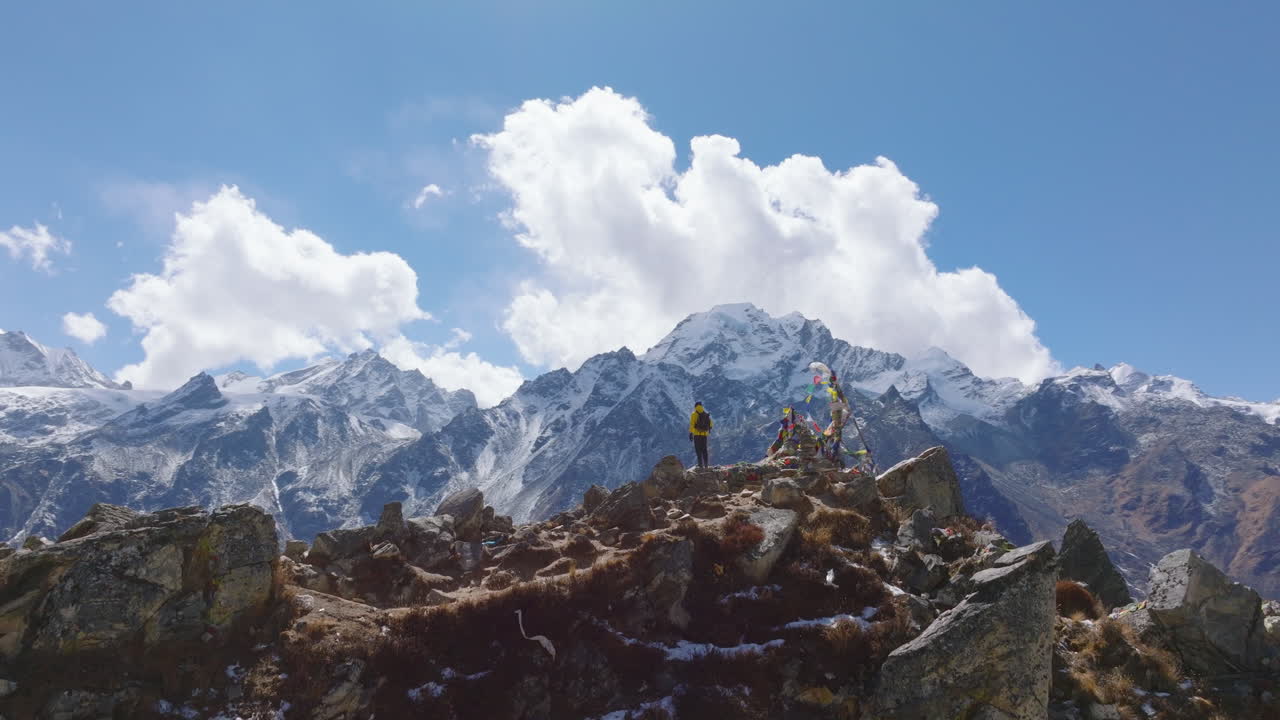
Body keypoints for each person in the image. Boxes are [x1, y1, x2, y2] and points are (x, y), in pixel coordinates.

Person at [688, 401, 713, 468]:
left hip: (697, 435)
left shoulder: (694, 414)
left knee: (698, 450)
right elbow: (711, 425)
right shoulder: (705, 413)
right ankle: (706, 465)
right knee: (704, 450)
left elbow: (692, 425)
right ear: (701, 406)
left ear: (695, 406)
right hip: (704, 435)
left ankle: (700, 466)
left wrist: (691, 433)